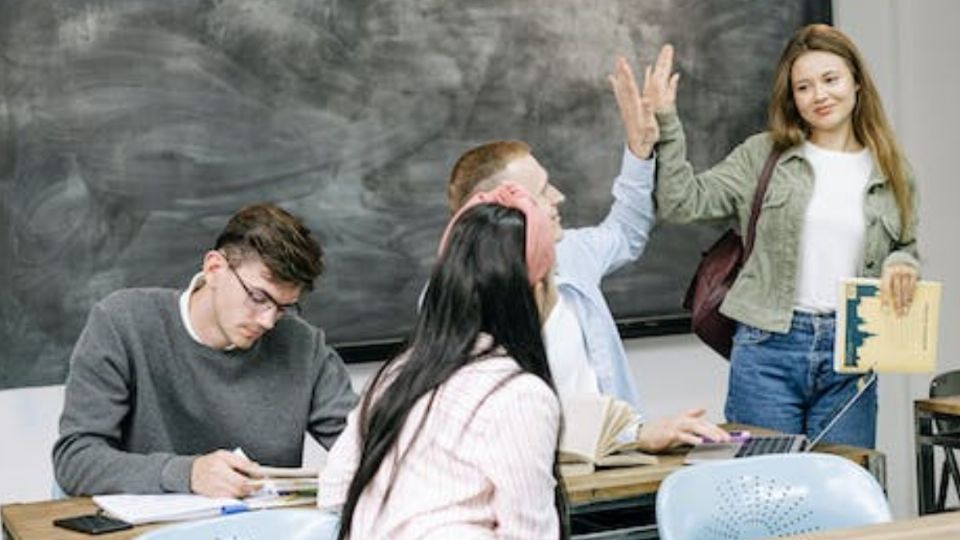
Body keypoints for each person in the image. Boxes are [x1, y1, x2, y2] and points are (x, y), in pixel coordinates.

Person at [643, 25, 919, 448]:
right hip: (768, 348)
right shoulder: (763, 154)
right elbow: (682, 202)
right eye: (804, 87)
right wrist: (666, 121)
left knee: (844, 493)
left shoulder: (891, 169)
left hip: (851, 354)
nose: (819, 95)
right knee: (766, 496)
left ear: (856, 81)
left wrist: (903, 263)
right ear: (792, 97)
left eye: (831, 79)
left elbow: (903, 244)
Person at [445, 59, 729, 453]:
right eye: (543, 191)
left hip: (613, 465)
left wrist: (639, 150)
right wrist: (636, 436)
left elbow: (625, 232)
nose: (559, 197)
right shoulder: (451, 301)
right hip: (530, 475)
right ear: (504, 209)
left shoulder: (571, 254)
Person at [53, 203, 358, 497]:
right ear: (214, 268)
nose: (267, 321)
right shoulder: (122, 323)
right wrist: (188, 474)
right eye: (257, 297)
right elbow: (76, 459)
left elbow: (366, 448)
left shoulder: (304, 347)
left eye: (283, 308)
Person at [319, 184, 566, 539]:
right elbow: (529, 535)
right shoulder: (520, 395)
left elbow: (335, 489)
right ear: (533, 290)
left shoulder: (399, 373)